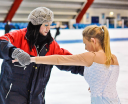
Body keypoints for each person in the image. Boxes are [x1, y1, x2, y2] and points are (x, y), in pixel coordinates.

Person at [0, 7, 84, 104]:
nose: (48, 28)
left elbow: (67, 60)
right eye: (45, 24)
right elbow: (1, 43)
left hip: (36, 100)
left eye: (50, 24)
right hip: (11, 99)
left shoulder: (51, 45)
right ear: (36, 24)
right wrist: (14, 52)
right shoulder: (18, 37)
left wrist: (89, 72)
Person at [28, 25, 121, 104]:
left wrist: (32, 59)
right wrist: (94, 85)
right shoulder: (113, 58)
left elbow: (59, 59)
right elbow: (106, 79)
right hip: (115, 100)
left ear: (93, 41)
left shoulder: (92, 56)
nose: (85, 48)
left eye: (85, 43)